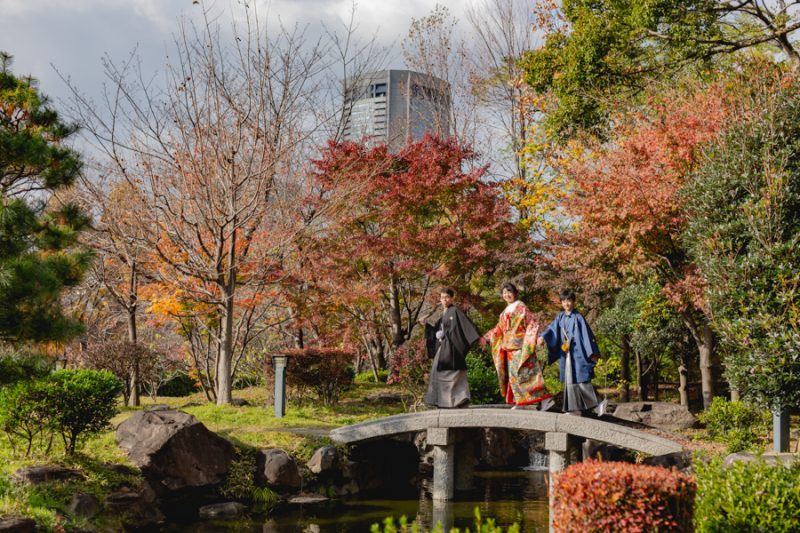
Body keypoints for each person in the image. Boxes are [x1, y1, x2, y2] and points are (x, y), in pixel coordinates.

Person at [479, 283, 554, 411]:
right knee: (515, 377)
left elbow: (531, 323)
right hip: (510, 348)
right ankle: (521, 401)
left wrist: (537, 337)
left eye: (509, 292)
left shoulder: (521, 307)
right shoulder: (504, 313)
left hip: (521, 348)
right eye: (504, 293)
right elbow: (499, 329)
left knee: (529, 375)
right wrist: (485, 338)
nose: (507, 295)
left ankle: (546, 400)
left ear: (515, 293)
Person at [537, 289, 607, 416]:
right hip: (566, 353)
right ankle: (574, 409)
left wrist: (592, 353)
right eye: (563, 301)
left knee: (581, 379)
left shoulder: (578, 317)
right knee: (570, 380)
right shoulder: (560, 317)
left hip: (578, 352)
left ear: (573, 301)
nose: (566, 303)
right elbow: (552, 330)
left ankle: (600, 401)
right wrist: (543, 337)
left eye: (569, 300)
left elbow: (586, 335)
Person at [418, 287, 482, 408]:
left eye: (447, 297)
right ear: (440, 300)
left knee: (454, 375)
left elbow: (466, 324)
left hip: (453, 349)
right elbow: (436, 330)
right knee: (444, 375)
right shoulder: (444, 315)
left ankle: (458, 399)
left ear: (452, 298)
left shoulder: (455, 311)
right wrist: (426, 325)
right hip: (444, 350)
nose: (445, 300)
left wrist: (478, 338)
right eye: (442, 298)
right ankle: (448, 401)